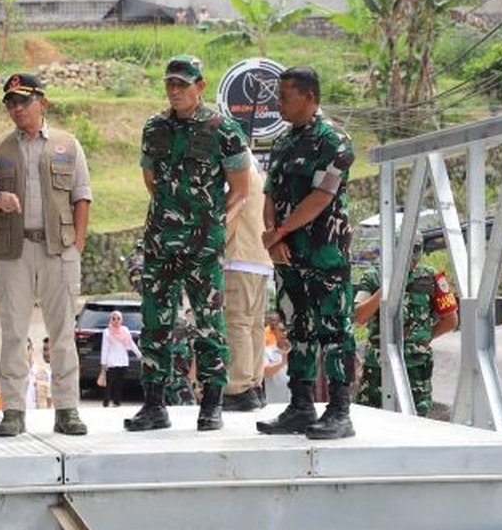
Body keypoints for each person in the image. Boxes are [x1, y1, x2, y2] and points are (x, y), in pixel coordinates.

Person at [129, 55, 250, 433]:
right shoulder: (154, 127)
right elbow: (151, 180)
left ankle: (211, 405)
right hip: (161, 241)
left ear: (200, 84)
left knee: (208, 323)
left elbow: (241, 190)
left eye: (183, 83)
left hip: (203, 245)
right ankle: (154, 405)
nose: (176, 90)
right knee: (155, 321)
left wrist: (215, 225)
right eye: (171, 84)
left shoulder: (223, 128)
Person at [0, 72, 90, 438]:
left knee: (62, 334)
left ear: (43, 101)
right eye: (10, 103)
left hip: (59, 250)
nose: (16, 108)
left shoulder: (67, 144)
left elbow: (81, 197)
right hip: (14, 251)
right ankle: (12, 411)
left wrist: (78, 245)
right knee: (13, 333)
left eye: (23, 101)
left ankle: (68, 409)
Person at [257, 67, 357, 440]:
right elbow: (270, 193)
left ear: (309, 97)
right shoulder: (283, 142)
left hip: (323, 252)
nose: (277, 102)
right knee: (296, 326)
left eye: (285, 95)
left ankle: (339, 410)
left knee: (333, 328)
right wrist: (272, 236)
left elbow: (321, 197)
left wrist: (279, 232)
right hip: (287, 253)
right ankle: (301, 405)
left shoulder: (334, 141)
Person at [353, 245, 458, 415]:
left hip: (416, 368)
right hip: (378, 366)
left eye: (415, 258)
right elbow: (358, 317)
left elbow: (451, 320)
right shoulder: (373, 276)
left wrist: (422, 339)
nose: (411, 263)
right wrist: (385, 290)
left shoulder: (433, 278)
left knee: (416, 421)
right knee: (372, 419)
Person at [222, 151, 273, 412]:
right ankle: (254, 382)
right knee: (254, 324)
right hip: (260, 258)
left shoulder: (235, 173)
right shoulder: (258, 175)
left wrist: (217, 246)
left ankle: (237, 387)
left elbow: (232, 207)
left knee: (237, 322)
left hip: (238, 255)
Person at [99, 311, 140, 408]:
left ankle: (117, 401)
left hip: (123, 360)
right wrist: (103, 363)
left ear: (121, 320)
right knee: (109, 382)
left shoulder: (125, 330)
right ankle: (106, 401)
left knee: (119, 382)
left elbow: (131, 344)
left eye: (118, 319)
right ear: (110, 320)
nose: (116, 321)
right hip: (111, 361)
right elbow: (105, 347)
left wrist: (139, 354)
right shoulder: (107, 332)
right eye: (114, 319)